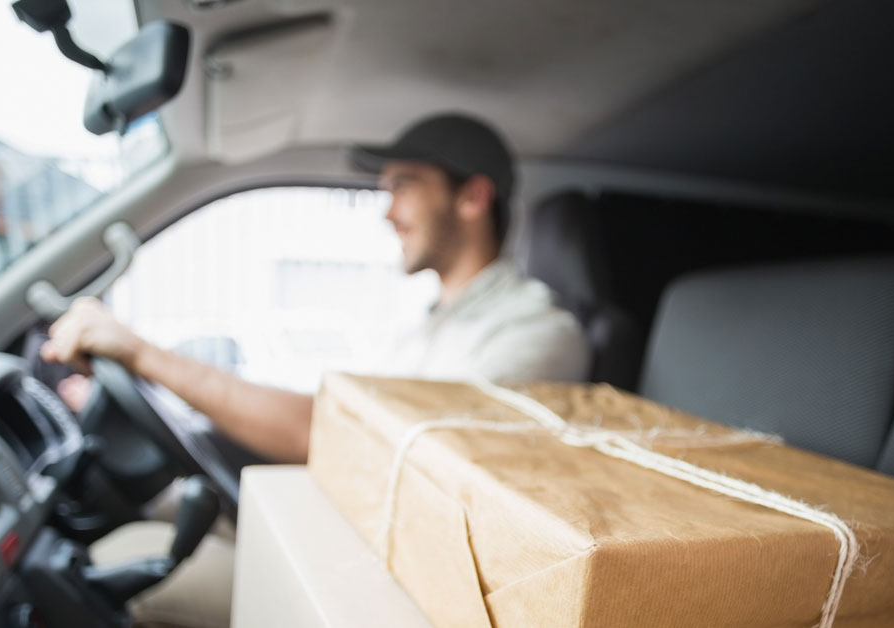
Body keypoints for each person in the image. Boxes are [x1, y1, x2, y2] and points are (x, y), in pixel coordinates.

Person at [40, 112, 590, 627]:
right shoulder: (427, 326)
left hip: (401, 589)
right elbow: (339, 422)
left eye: (404, 185)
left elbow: (336, 436)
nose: (387, 210)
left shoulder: (536, 336)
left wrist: (143, 354)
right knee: (142, 532)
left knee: (112, 562)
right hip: (350, 537)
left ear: (471, 197)